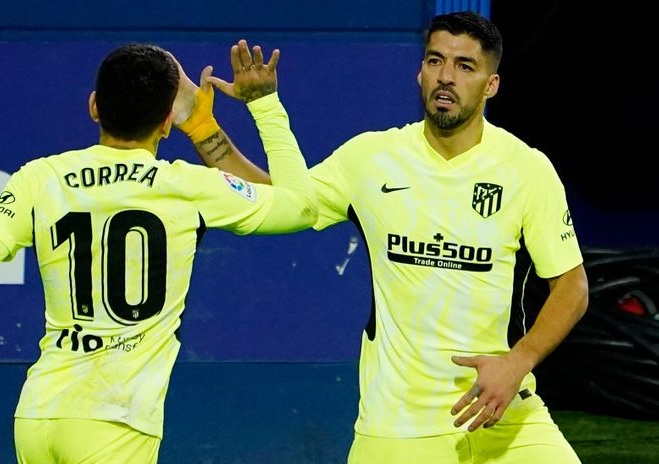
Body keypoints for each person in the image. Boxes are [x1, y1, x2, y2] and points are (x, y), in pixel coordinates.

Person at [0, 42, 317, 463]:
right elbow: (300, 206)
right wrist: (237, 114)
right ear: (165, 124)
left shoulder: (39, 177)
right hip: (116, 422)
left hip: (38, 418)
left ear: (94, 107)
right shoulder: (189, 186)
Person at [198, 12, 589, 463]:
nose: (446, 77)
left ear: (491, 84)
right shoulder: (371, 158)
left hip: (503, 414)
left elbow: (572, 287)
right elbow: (280, 200)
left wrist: (516, 364)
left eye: (465, 66)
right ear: (420, 72)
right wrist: (206, 126)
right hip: (397, 427)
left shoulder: (527, 169)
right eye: (435, 61)